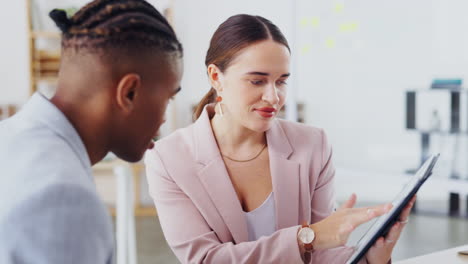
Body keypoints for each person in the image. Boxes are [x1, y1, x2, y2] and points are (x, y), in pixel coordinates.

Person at [145, 14, 413, 263]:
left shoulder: (313, 145)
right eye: (257, 81)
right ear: (216, 77)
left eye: (281, 81)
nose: (273, 97)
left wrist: (370, 259)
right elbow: (206, 259)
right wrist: (308, 237)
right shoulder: (169, 159)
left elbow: (321, 257)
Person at [0, 0, 183, 263]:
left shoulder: (9, 135)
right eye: (168, 98)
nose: (164, 119)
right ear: (129, 93)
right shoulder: (64, 201)